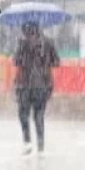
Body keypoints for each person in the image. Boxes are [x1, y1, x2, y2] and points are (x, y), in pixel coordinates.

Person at [13, 21, 59, 155]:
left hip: (25, 85)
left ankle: (27, 142)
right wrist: (45, 61)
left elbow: (16, 61)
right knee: (39, 115)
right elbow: (56, 62)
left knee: (23, 114)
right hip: (43, 84)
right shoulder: (48, 42)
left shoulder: (22, 43)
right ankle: (40, 146)